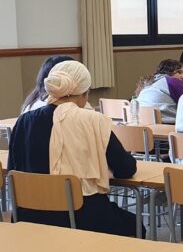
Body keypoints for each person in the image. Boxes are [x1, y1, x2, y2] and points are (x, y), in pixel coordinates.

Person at [8, 60, 142, 237]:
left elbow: (13, 167)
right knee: (134, 226)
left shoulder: (24, 120)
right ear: (84, 93)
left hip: (29, 215)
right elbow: (126, 169)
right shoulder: (92, 120)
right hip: (81, 215)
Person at [135, 59, 183, 124]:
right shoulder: (172, 81)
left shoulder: (148, 83)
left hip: (143, 125)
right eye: (179, 72)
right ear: (169, 71)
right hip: (166, 126)